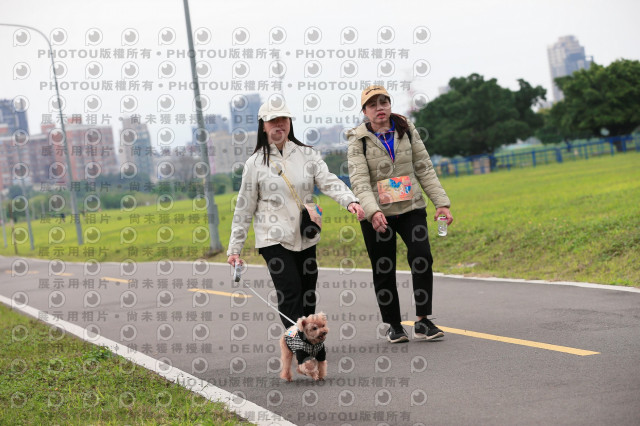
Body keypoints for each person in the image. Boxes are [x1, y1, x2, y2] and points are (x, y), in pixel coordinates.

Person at [228, 100, 365, 327]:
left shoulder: (307, 154)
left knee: (307, 292)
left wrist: (350, 200)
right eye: (273, 120)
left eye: (283, 119)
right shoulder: (254, 164)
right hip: (273, 238)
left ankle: (307, 339)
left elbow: (328, 181)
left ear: (290, 122)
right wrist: (235, 249)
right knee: (290, 291)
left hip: (305, 234)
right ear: (263, 126)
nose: (279, 124)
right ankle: (298, 342)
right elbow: (244, 208)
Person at [347, 85, 453, 343]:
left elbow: (424, 168)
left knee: (422, 257)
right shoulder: (358, 140)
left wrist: (441, 203)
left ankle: (423, 321)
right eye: (373, 104)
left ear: (390, 105)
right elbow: (360, 182)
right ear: (365, 111)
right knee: (384, 268)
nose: (379, 108)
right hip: (378, 214)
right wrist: (372, 211)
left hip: (411, 207)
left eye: (384, 102)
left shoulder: (407, 129)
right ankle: (394, 325)